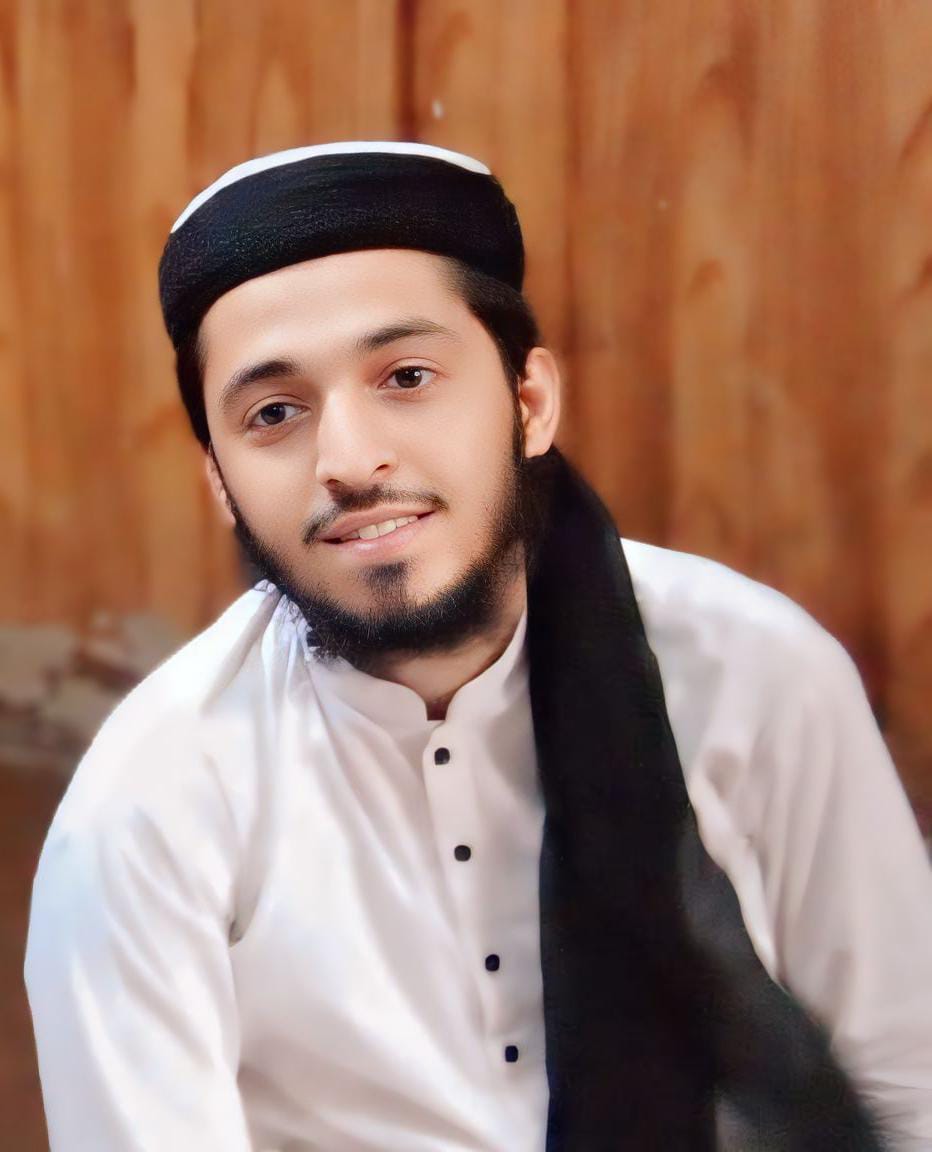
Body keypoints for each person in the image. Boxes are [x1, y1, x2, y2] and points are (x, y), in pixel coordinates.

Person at [24, 142, 932, 1151]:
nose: (349, 461)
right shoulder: (148, 806)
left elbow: (904, 1079)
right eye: (273, 414)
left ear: (528, 402)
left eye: (405, 377)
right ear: (220, 481)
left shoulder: (755, 677)